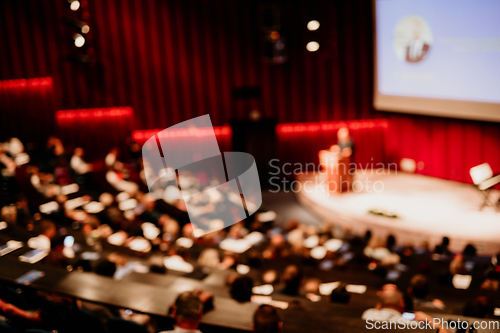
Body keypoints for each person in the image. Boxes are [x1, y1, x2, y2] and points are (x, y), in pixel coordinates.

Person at [362, 286, 449, 333]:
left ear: (380, 304)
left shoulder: (367, 315)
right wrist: (431, 320)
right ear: (401, 303)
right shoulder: (413, 325)